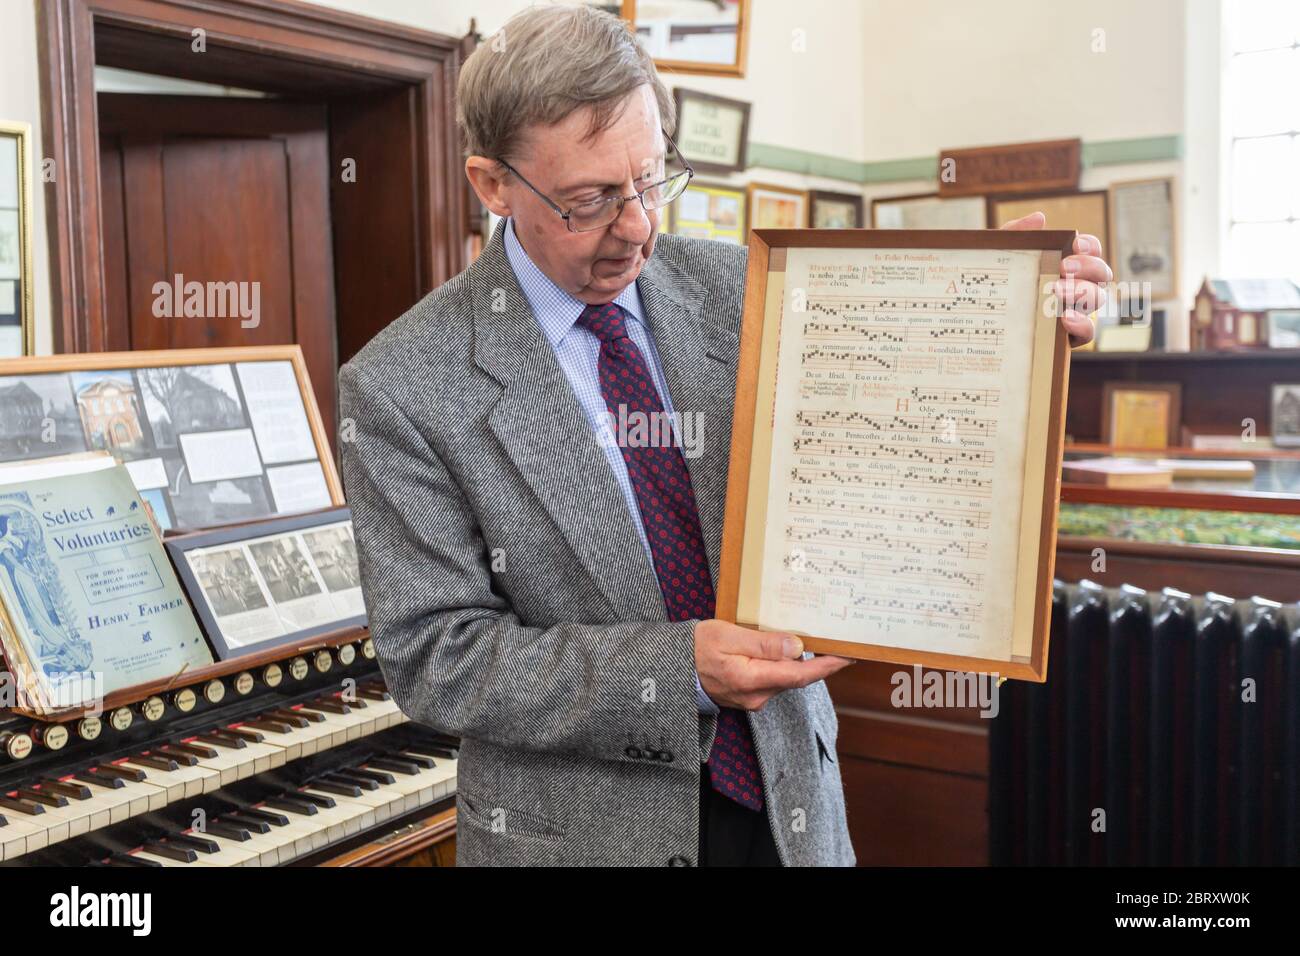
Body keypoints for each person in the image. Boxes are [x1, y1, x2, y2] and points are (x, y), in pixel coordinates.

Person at [338, 4, 1106, 867]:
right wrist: (675, 671)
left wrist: (1014, 323)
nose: (637, 227)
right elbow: (436, 657)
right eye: (590, 199)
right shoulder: (400, 385)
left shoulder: (748, 289)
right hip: (580, 842)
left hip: (791, 811)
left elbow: (892, 420)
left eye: (652, 178)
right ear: (492, 184)